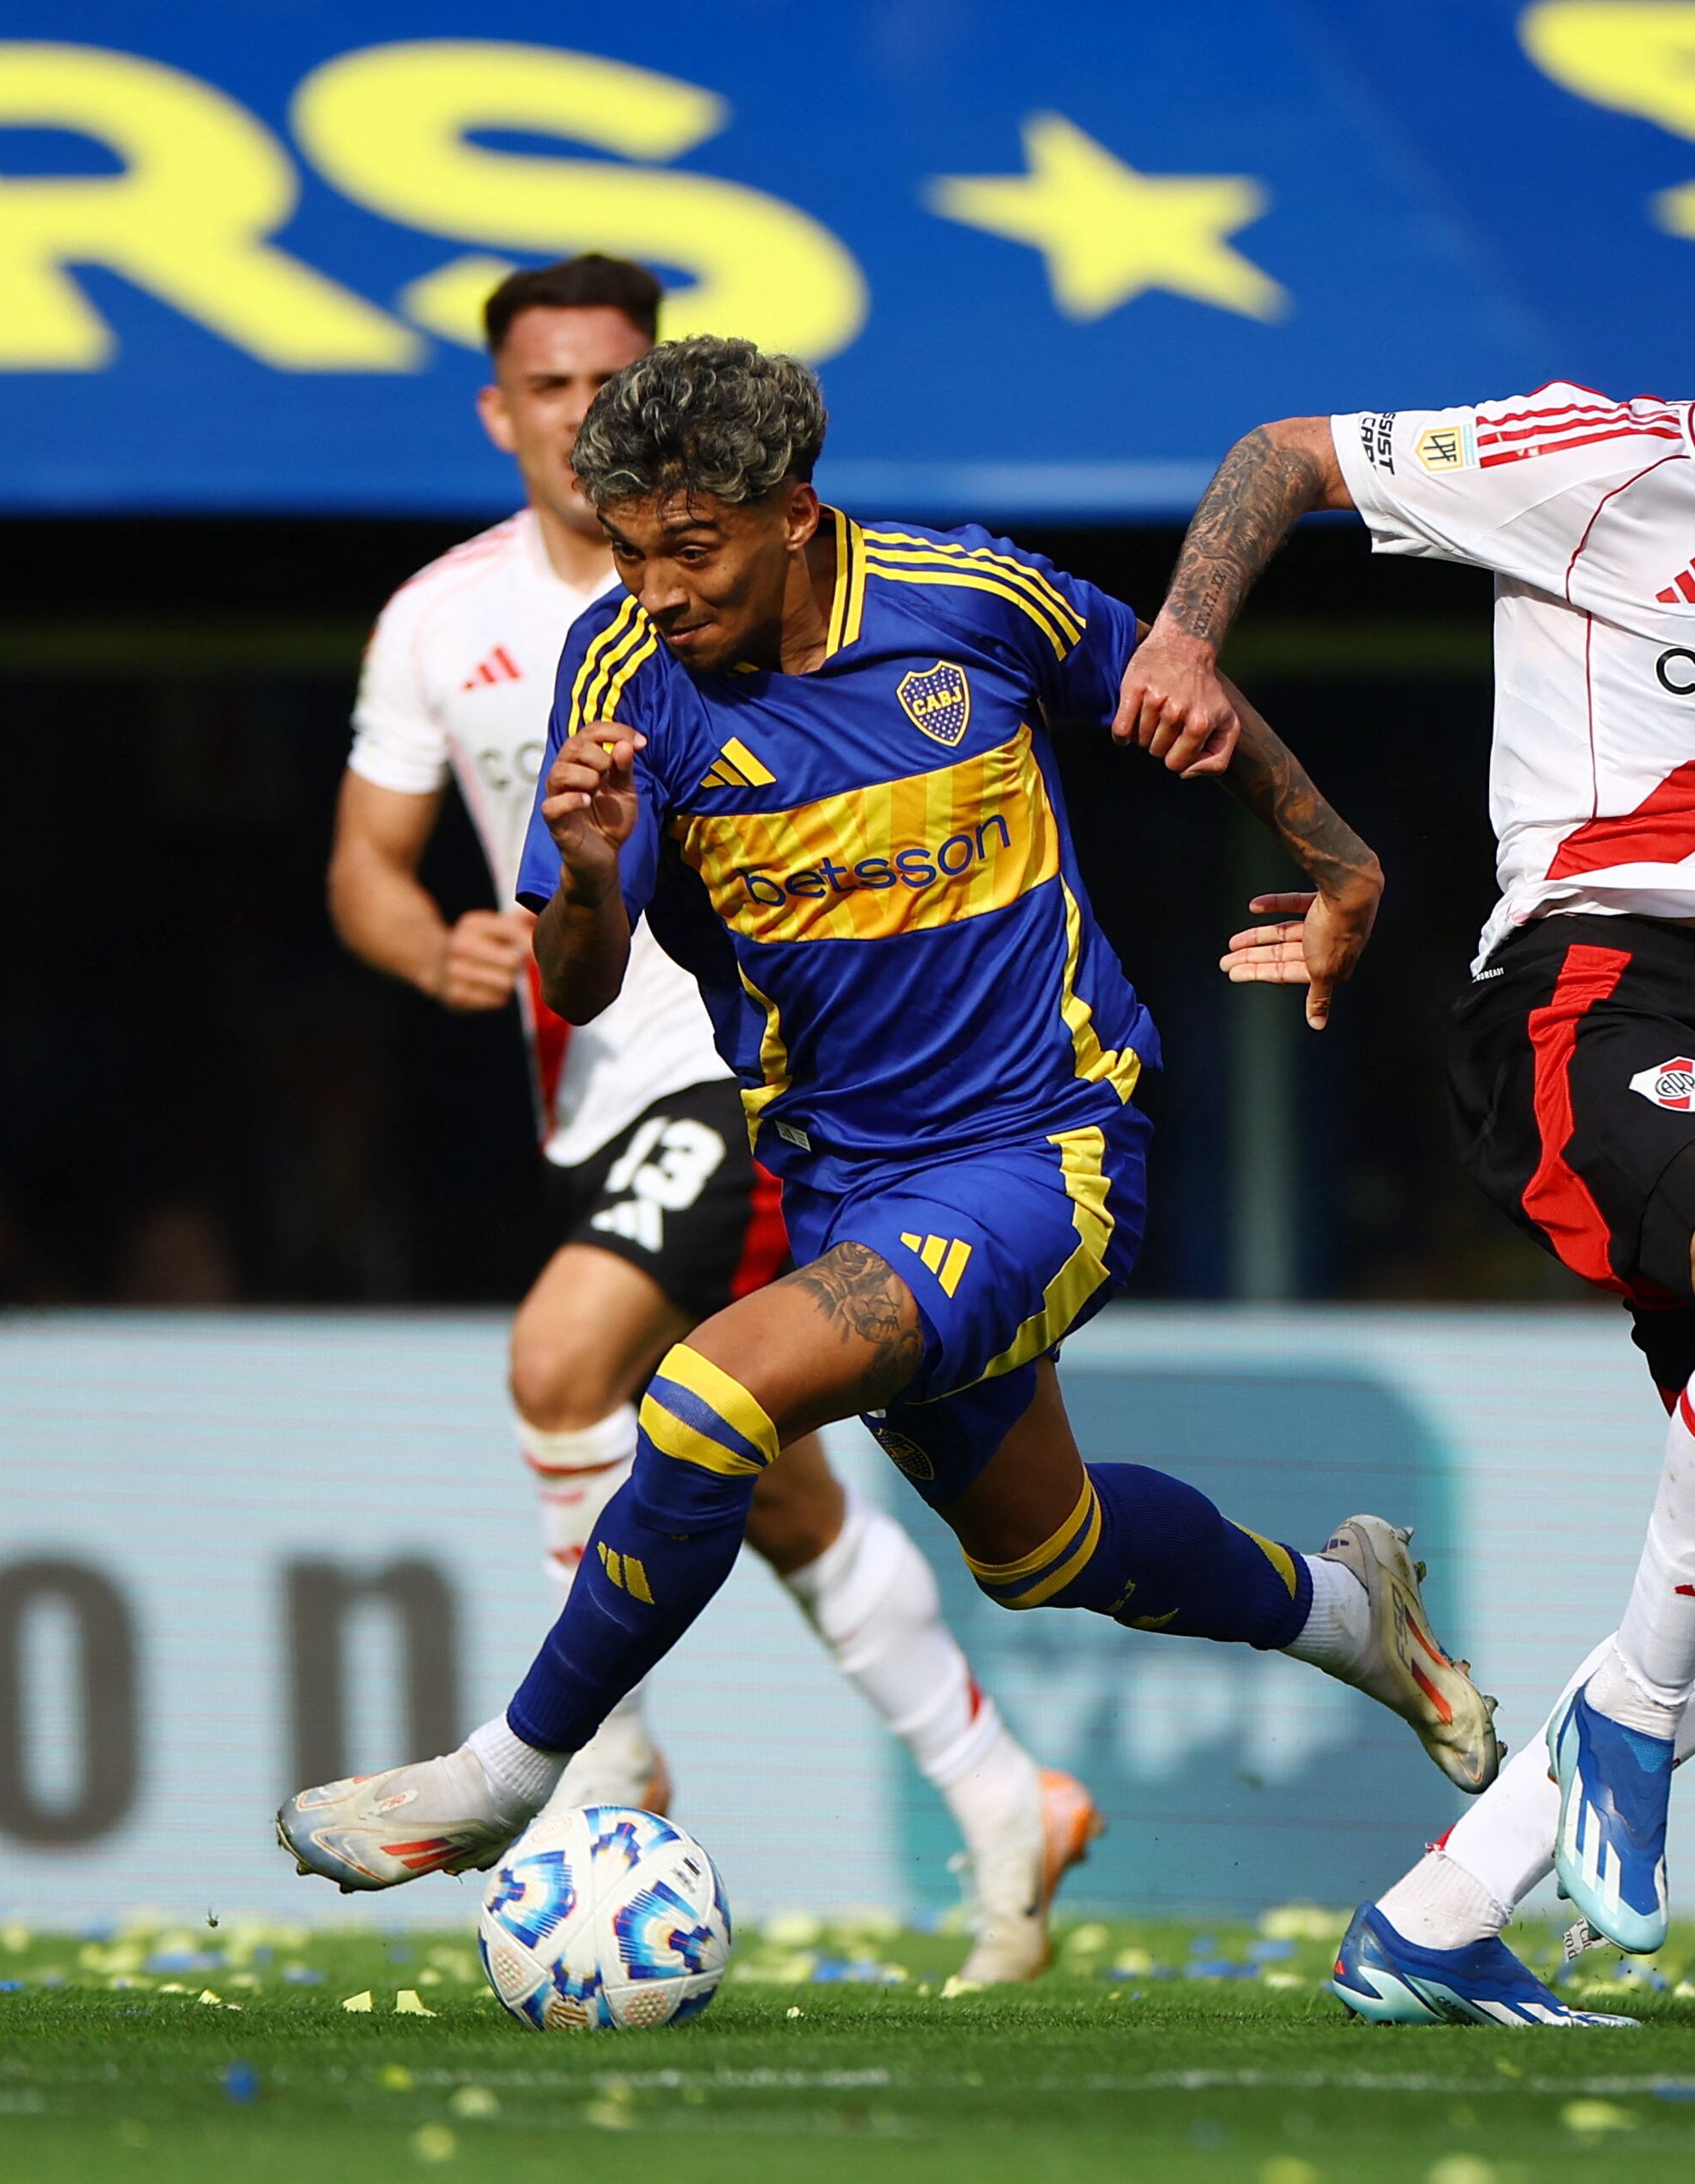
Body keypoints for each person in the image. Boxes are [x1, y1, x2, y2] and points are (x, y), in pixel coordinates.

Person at [282, 333, 1497, 1915]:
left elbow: (1178, 694)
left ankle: (508, 1774)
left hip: (1048, 1150)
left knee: (709, 1395)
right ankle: (1355, 1613)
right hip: (850, 1185)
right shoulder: (617, 672)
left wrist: (1342, 863)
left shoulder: (971, 601)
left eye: (690, 549)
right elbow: (575, 987)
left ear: (793, 509)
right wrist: (584, 869)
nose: (656, 587)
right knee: (1042, 1550)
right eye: (633, 551)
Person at [1116, 189, 1695, 2022]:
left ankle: (1440, 1910)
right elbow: (1280, 450)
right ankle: (1630, 1723)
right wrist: (1190, 637)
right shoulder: (1585, 458)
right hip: (1584, 986)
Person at [329, 257, 1087, 1982]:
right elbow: (365, 872)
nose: (580, 410)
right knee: (771, 1483)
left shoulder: (777, 595)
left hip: (752, 1075)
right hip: (594, 1082)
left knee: (561, 1359)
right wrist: (431, 936)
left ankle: (598, 1765)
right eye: (547, 386)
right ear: (498, 411)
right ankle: (999, 1794)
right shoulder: (441, 621)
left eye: (614, 378)